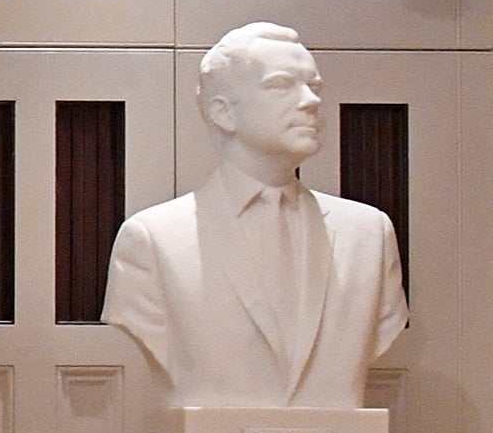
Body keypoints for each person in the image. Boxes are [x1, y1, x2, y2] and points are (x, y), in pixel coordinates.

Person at [101, 23, 408, 411]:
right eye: (282, 85)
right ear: (223, 112)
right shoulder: (152, 238)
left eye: (315, 86)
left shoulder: (369, 234)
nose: (311, 101)